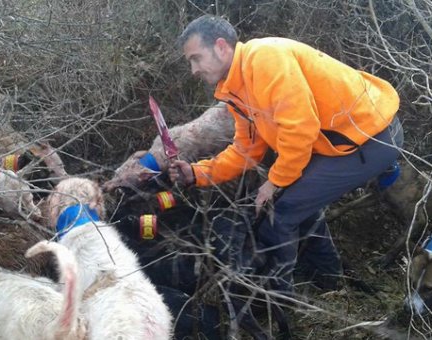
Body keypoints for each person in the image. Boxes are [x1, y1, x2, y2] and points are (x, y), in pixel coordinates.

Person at [169, 15, 404, 295]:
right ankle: (328, 281)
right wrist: (197, 173)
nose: (193, 69)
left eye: (196, 58)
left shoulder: (265, 59)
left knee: (280, 212)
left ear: (221, 47)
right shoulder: (236, 88)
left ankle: (279, 302)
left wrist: (274, 181)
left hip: (369, 136)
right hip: (341, 141)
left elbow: (300, 129)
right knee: (297, 203)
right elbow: (247, 149)